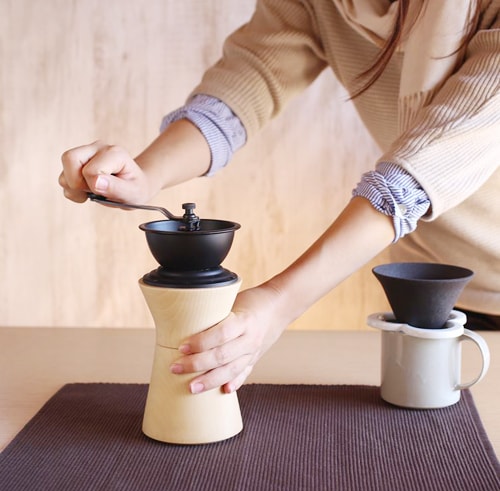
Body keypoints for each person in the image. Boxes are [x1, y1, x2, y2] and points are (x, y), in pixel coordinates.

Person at [59, 0, 500, 395]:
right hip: (433, 284)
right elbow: (249, 81)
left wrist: (276, 305)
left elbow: (424, 166)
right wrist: (143, 175)